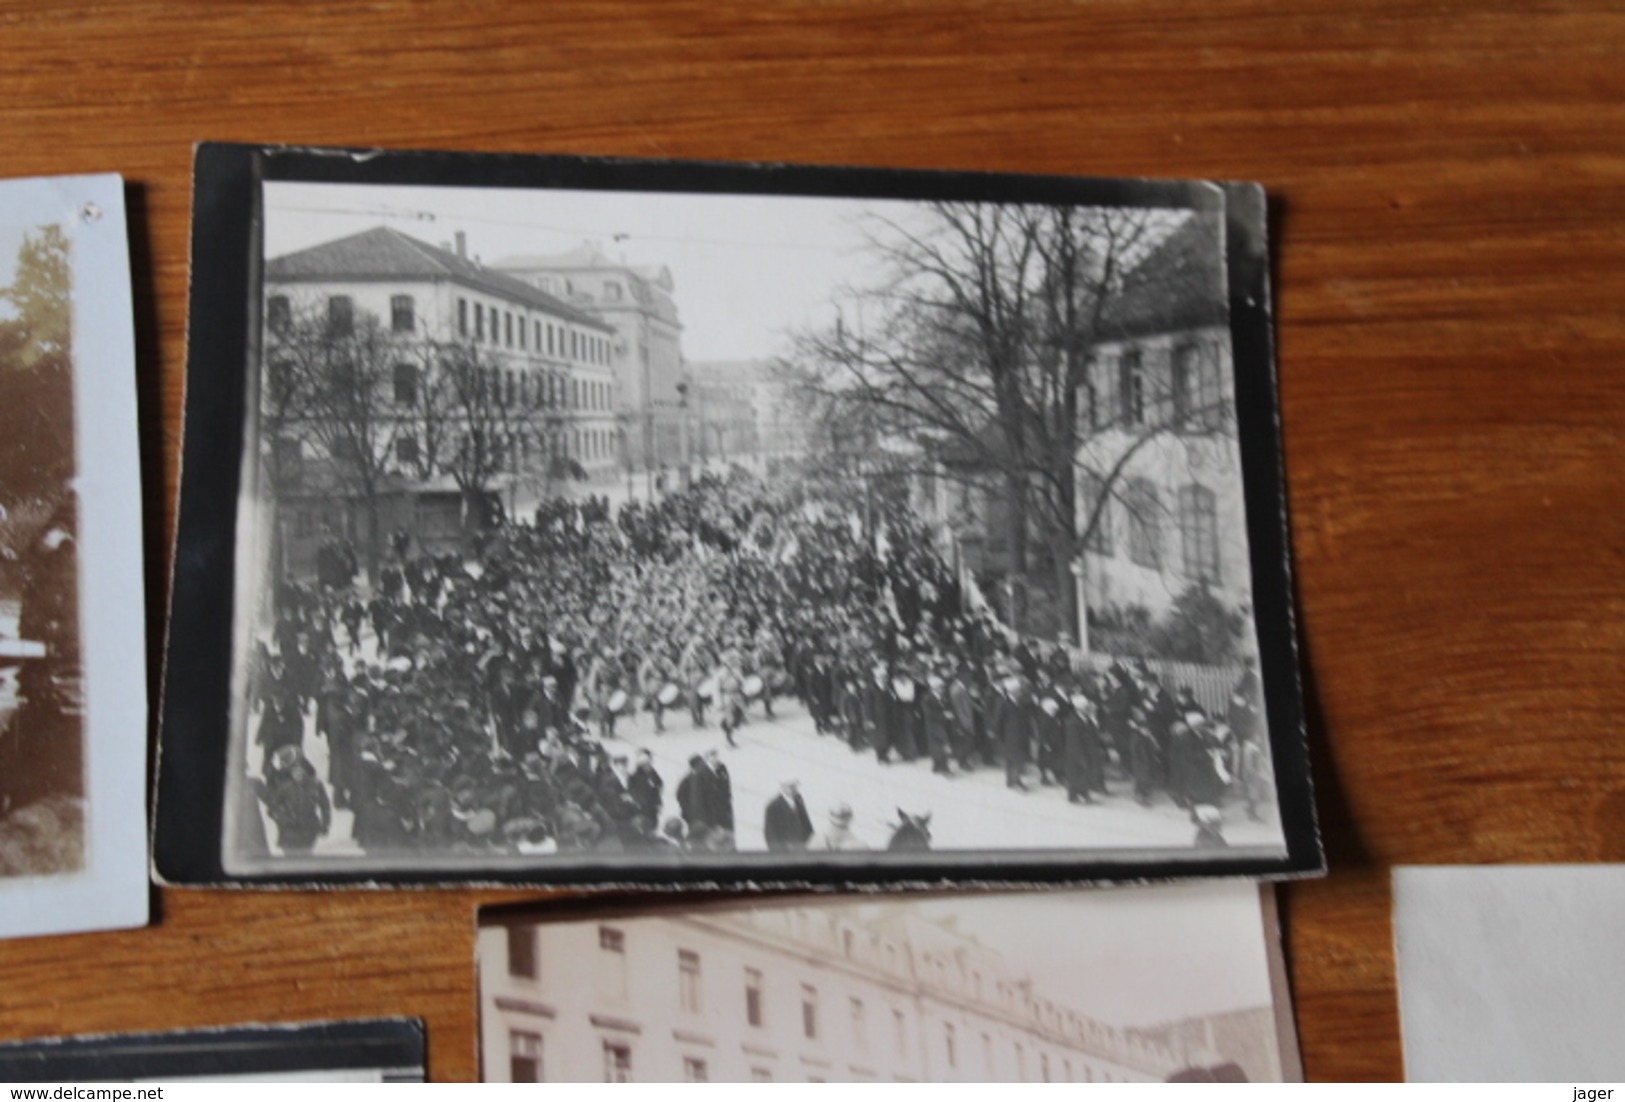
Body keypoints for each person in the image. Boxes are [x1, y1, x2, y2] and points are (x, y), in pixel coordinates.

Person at [763, 781, 814, 852]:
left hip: (802, 849)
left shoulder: (799, 801)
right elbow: (770, 834)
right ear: (783, 787)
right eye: (791, 787)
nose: (794, 789)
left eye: (795, 786)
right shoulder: (773, 806)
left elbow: (807, 825)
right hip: (785, 852)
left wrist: (811, 842)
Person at [629, 748, 664, 825]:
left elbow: (659, 783)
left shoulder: (651, 772)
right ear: (642, 766)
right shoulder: (635, 777)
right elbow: (633, 792)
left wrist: (658, 802)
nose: (650, 766)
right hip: (643, 808)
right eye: (648, 764)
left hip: (652, 805)